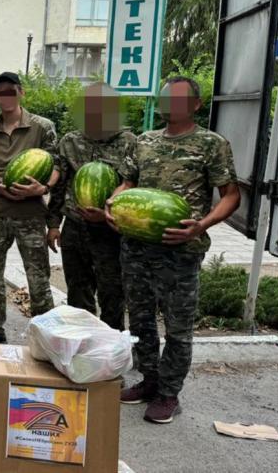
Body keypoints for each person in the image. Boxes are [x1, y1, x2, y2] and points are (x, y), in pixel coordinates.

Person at [108, 77, 240, 424]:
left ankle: (169, 394)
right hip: (137, 247)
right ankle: (149, 380)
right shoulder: (143, 141)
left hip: (181, 250)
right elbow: (128, 183)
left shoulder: (211, 144)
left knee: (178, 327)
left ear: (196, 104)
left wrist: (201, 225)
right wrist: (114, 202)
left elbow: (231, 195)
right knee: (140, 320)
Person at [0, 72, 59, 344]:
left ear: (21, 92)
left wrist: (42, 188)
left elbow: (57, 166)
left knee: (38, 279)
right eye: (1, 93)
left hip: (30, 215)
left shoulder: (42, 127)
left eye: (11, 91)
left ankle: (45, 336)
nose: (6, 97)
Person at [47, 83, 136, 331]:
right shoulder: (70, 141)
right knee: (77, 292)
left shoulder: (129, 142)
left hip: (111, 232)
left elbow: (134, 186)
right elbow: (60, 185)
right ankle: (83, 340)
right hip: (75, 228)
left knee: (112, 293)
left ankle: (112, 343)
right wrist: (53, 224)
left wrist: (108, 215)